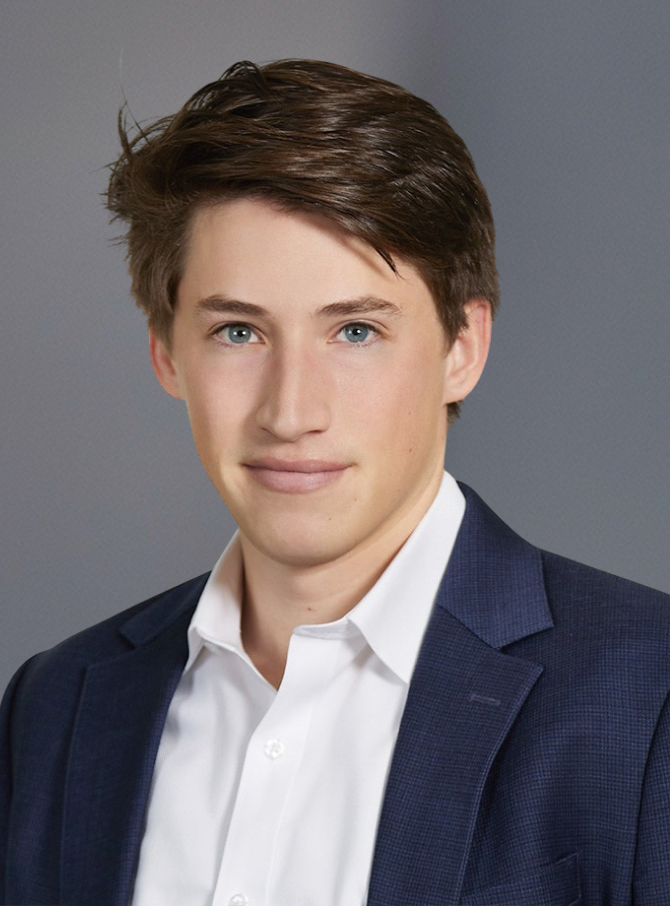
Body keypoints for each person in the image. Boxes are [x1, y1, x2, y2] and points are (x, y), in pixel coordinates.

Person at [1, 58, 669, 906]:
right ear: (166, 351)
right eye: (238, 332)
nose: (291, 411)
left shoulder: (647, 695)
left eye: (354, 331)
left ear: (462, 348)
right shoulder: (55, 707)